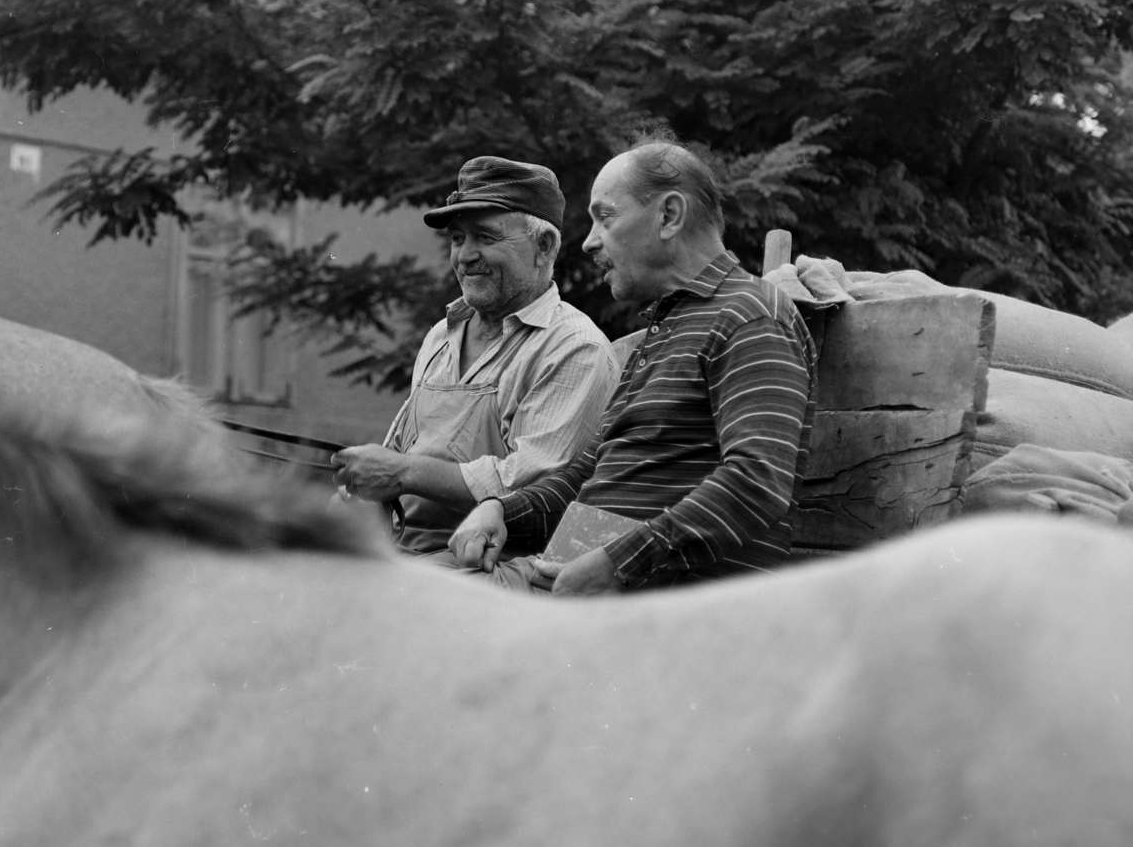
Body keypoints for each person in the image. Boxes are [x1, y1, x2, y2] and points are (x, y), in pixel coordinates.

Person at [449, 139, 816, 594]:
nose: (587, 241)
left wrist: (618, 564)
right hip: (572, 583)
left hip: (664, 607)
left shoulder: (749, 315)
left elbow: (757, 481)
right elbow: (588, 472)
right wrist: (501, 510)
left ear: (669, 216)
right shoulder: (670, 325)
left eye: (605, 217)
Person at [331, 156, 618, 555]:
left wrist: (402, 473)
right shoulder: (440, 336)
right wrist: (358, 492)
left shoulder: (572, 348)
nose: (465, 255)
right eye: (457, 239)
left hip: (490, 572)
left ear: (544, 245)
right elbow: (396, 458)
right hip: (405, 556)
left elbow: (527, 493)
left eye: (485, 237)